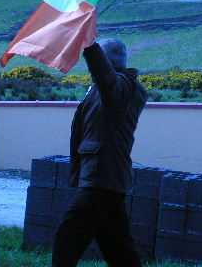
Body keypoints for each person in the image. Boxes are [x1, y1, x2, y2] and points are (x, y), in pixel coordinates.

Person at [52, 38, 147, 267]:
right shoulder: (107, 90)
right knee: (119, 250)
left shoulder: (123, 88)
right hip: (106, 179)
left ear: (107, 60)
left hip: (102, 179)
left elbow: (105, 78)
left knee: (67, 237)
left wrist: (88, 44)